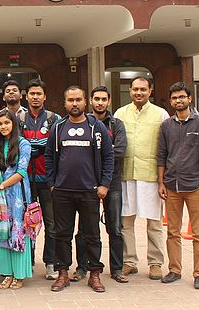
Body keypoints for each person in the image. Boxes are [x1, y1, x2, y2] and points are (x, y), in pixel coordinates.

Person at [46, 86, 114, 293]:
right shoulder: (57, 128)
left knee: (92, 235)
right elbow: (49, 156)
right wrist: (52, 183)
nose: (74, 104)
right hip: (62, 191)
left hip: (89, 191)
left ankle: (94, 274)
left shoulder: (97, 127)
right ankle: (63, 273)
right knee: (62, 234)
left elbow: (109, 157)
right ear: (64, 103)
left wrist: (104, 184)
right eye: (70, 100)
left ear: (85, 102)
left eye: (78, 100)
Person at [157, 82, 199, 290]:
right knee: (172, 231)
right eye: (174, 98)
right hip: (172, 186)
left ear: (189, 99)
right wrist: (161, 182)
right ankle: (174, 269)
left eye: (182, 97)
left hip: (195, 186)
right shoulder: (166, 126)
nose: (178, 101)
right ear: (170, 101)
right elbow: (162, 156)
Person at [113, 76, 169, 280]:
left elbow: (166, 145)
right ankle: (129, 261)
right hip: (126, 174)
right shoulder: (120, 113)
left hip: (151, 175)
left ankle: (155, 263)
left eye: (143, 89)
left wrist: (165, 179)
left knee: (154, 222)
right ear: (130, 91)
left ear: (150, 91)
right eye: (135, 89)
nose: (139, 93)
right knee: (125, 221)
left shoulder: (161, 114)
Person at [74, 86, 129, 283]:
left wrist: (98, 152)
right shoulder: (84, 123)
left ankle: (117, 269)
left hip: (112, 183)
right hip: (87, 183)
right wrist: (102, 151)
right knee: (83, 229)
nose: (100, 102)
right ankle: (81, 268)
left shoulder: (117, 124)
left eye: (103, 99)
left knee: (114, 228)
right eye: (96, 98)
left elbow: (120, 151)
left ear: (109, 101)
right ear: (90, 101)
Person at [20, 79, 61, 279]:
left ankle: (51, 263)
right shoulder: (18, 119)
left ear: (45, 96)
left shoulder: (55, 119)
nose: (35, 97)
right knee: (26, 222)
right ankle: (27, 261)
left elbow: (60, 149)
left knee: (51, 224)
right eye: (32, 94)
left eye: (39, 94)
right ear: (25, 96)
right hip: (25, 180)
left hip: (49, 180)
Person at [0, 110, 33, 290]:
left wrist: (0, 187)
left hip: (17, 196)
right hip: (0, 196)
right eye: (0, 124)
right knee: (2, 232)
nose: (3, 127)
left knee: (17, 232)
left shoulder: (24, 144)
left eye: (7, 123)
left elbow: (21, 173)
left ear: (14, 124)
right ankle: (7, 273)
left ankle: (19, 274)